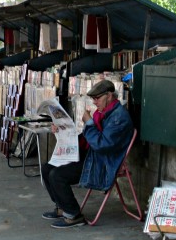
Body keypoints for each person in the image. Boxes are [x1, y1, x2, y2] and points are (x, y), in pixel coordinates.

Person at [41, 80, 134, 229]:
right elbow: (87, 139)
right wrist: (62, 130)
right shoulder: (102, 112)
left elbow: (102, 145)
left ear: (109, 96)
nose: (94, 102)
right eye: (93, 99)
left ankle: (74, 215)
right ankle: (62, 206)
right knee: (47, 168)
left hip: (102, 163)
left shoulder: (119, 117)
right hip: (91, 155)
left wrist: (89, 123)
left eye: (97, 98)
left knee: (57, 175)